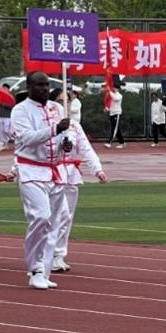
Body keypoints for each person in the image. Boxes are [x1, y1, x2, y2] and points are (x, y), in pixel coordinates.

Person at [11, 71, 68, 290]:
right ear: (29, 87)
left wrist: (66, 142)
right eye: (40, 85)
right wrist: (55, 129)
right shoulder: (21, 110)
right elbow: (28, 139)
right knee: (41, 217)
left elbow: (65, 135)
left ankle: (43, 270)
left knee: (53, 223)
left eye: (46, 85)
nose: (44, 89)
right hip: (31, 170)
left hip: (55, 171)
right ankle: (34, 268)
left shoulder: (57, 108)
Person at [52, 106, 108, 273]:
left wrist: (97, 170)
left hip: (72, 175)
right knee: (60, 214)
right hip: (55, 173)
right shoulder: (48, 124)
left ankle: (59, 255)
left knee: (67, 217)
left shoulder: (75, 126)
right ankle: (48, 253)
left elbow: (86, 149)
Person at [104, 82, 125, 148]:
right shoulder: (112, 95)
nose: (114, 89)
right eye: (113, 87)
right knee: (117, 129)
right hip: (112, 114)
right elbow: (112, 105)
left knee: (114, 129)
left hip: (117, 113)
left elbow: (115, 99)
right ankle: (122, 142)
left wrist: (109, 91)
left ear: (118, 89)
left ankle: (109, 142)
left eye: (115, 88)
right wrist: (108, 109)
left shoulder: (119, 95)